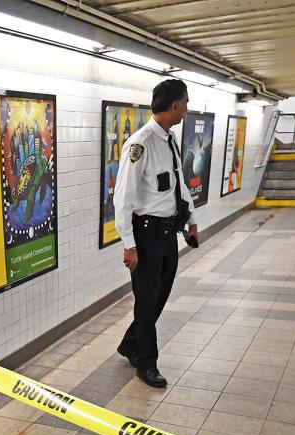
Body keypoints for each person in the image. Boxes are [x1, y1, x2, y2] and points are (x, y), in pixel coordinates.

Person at [113, 78, 199, 388]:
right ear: (175, 106)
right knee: (146, 301)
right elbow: (123, 198)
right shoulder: (141, 143)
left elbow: (177, 185)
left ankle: (130, 343)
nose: (186, 109)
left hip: (167, 234)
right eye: (185, 104)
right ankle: (146, 363)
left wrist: (191, 220)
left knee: (160, 296)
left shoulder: (169, 139)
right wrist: (129, 245)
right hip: (146, 235)